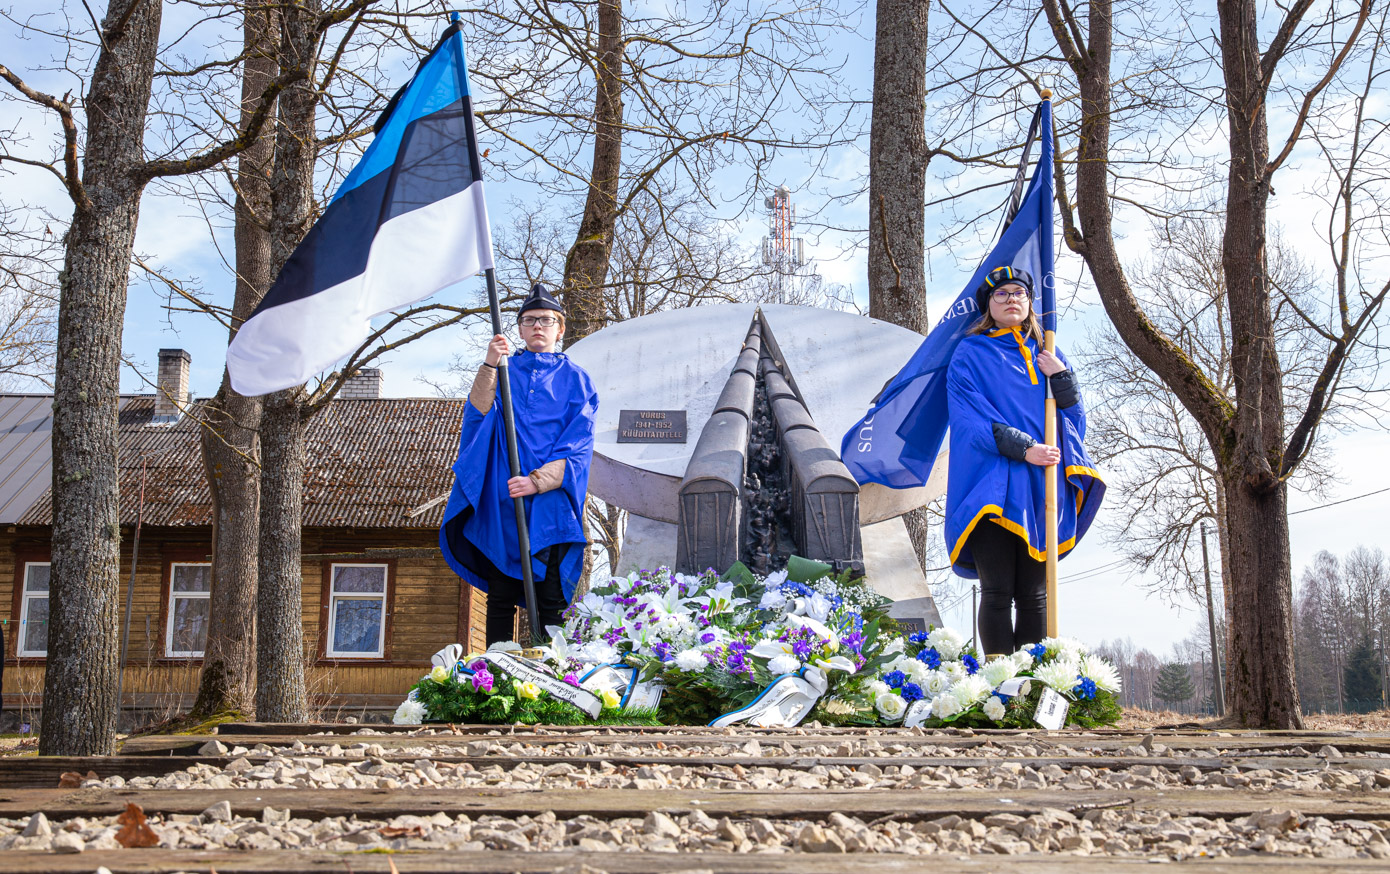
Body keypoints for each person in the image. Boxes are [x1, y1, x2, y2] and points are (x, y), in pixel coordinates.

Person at [944, 266, 1105, 657]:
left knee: (1035, 595)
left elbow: (1075, 420)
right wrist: (1025, 447)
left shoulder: (1048, 351)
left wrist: (1062, 377)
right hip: (992, 485)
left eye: (1019, 292)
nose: (1011, 298)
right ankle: (1000, 684)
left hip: (1040, 488)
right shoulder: (970, 353)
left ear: (1030, 301)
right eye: (1001, 294)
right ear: (988, 305)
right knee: (998, 590)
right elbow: (969, 420)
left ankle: (1030, 685)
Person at [439, 283, 598, 645]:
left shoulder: (577, 380)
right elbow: (478, 413)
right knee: (500, 598)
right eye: (529, 321)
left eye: (546, 320)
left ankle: (551, 680)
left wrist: (539, 481)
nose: (537, 326)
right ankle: (494, 676)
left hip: (550, 503)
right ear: (520, 329)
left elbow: (579, 442)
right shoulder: (505, 371)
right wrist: (490, 363)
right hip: (505, 502)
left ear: (560, 328)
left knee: (551, 601)